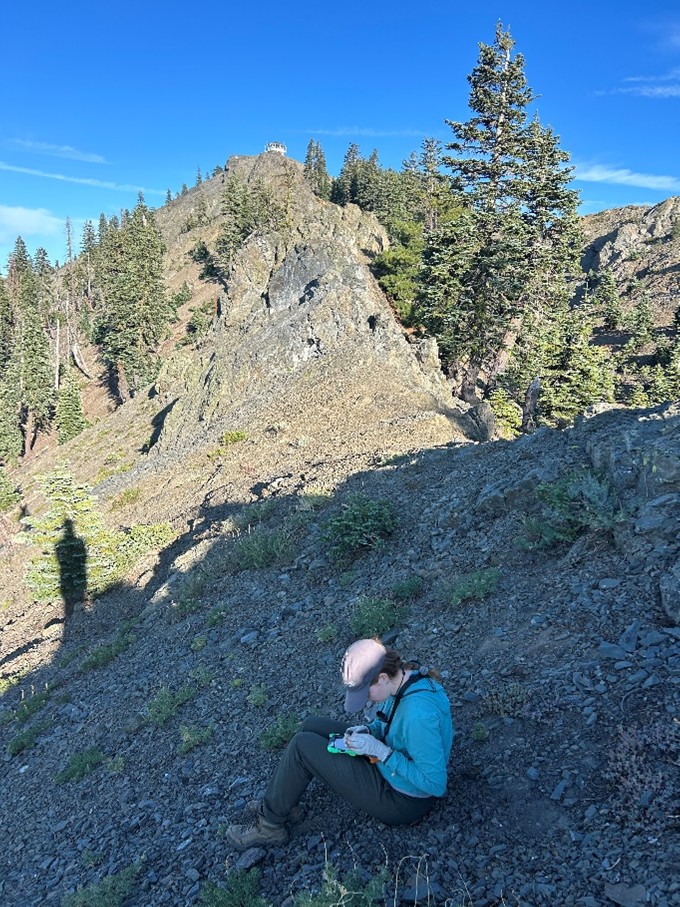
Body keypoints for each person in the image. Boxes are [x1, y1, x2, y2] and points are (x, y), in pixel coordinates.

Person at [226, 637, 454, 849]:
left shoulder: (417, 716)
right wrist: (369, 731)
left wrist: (382, 752)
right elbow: (389, 723)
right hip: (391, 763)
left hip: (403, 800)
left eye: (366, 693)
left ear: (383, 677)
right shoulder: (403, 678)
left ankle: (269, 826)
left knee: (302, 747)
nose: (365, 700)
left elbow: (435, 785)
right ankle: (284, 803)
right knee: (311, 725)